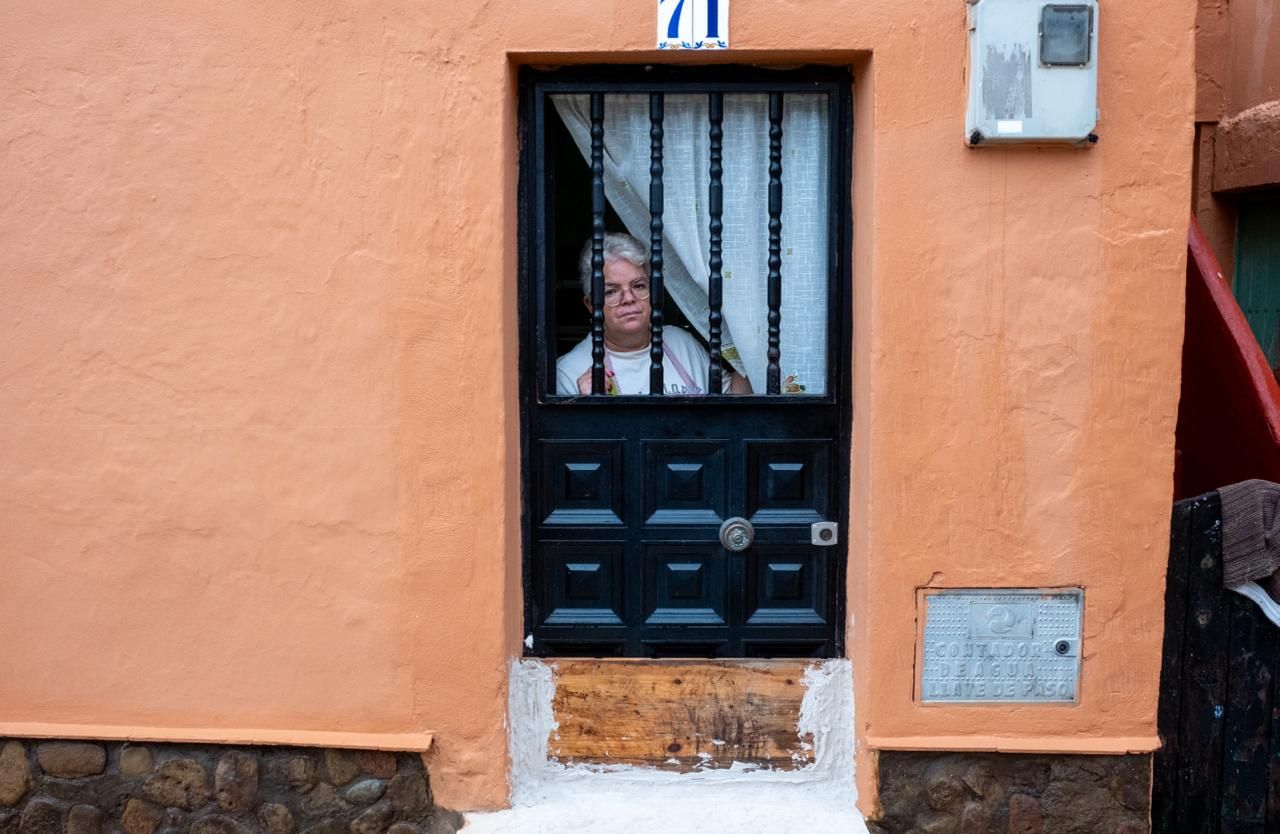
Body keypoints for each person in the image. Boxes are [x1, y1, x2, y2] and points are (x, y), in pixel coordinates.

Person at [556, 233, 753, 396]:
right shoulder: (568, 372)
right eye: (611, 291)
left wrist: (758, 344)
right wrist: (588, 408)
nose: (629, 298)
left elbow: (730, 399)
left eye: (639, 285)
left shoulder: (680, 341)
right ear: (591, 304)